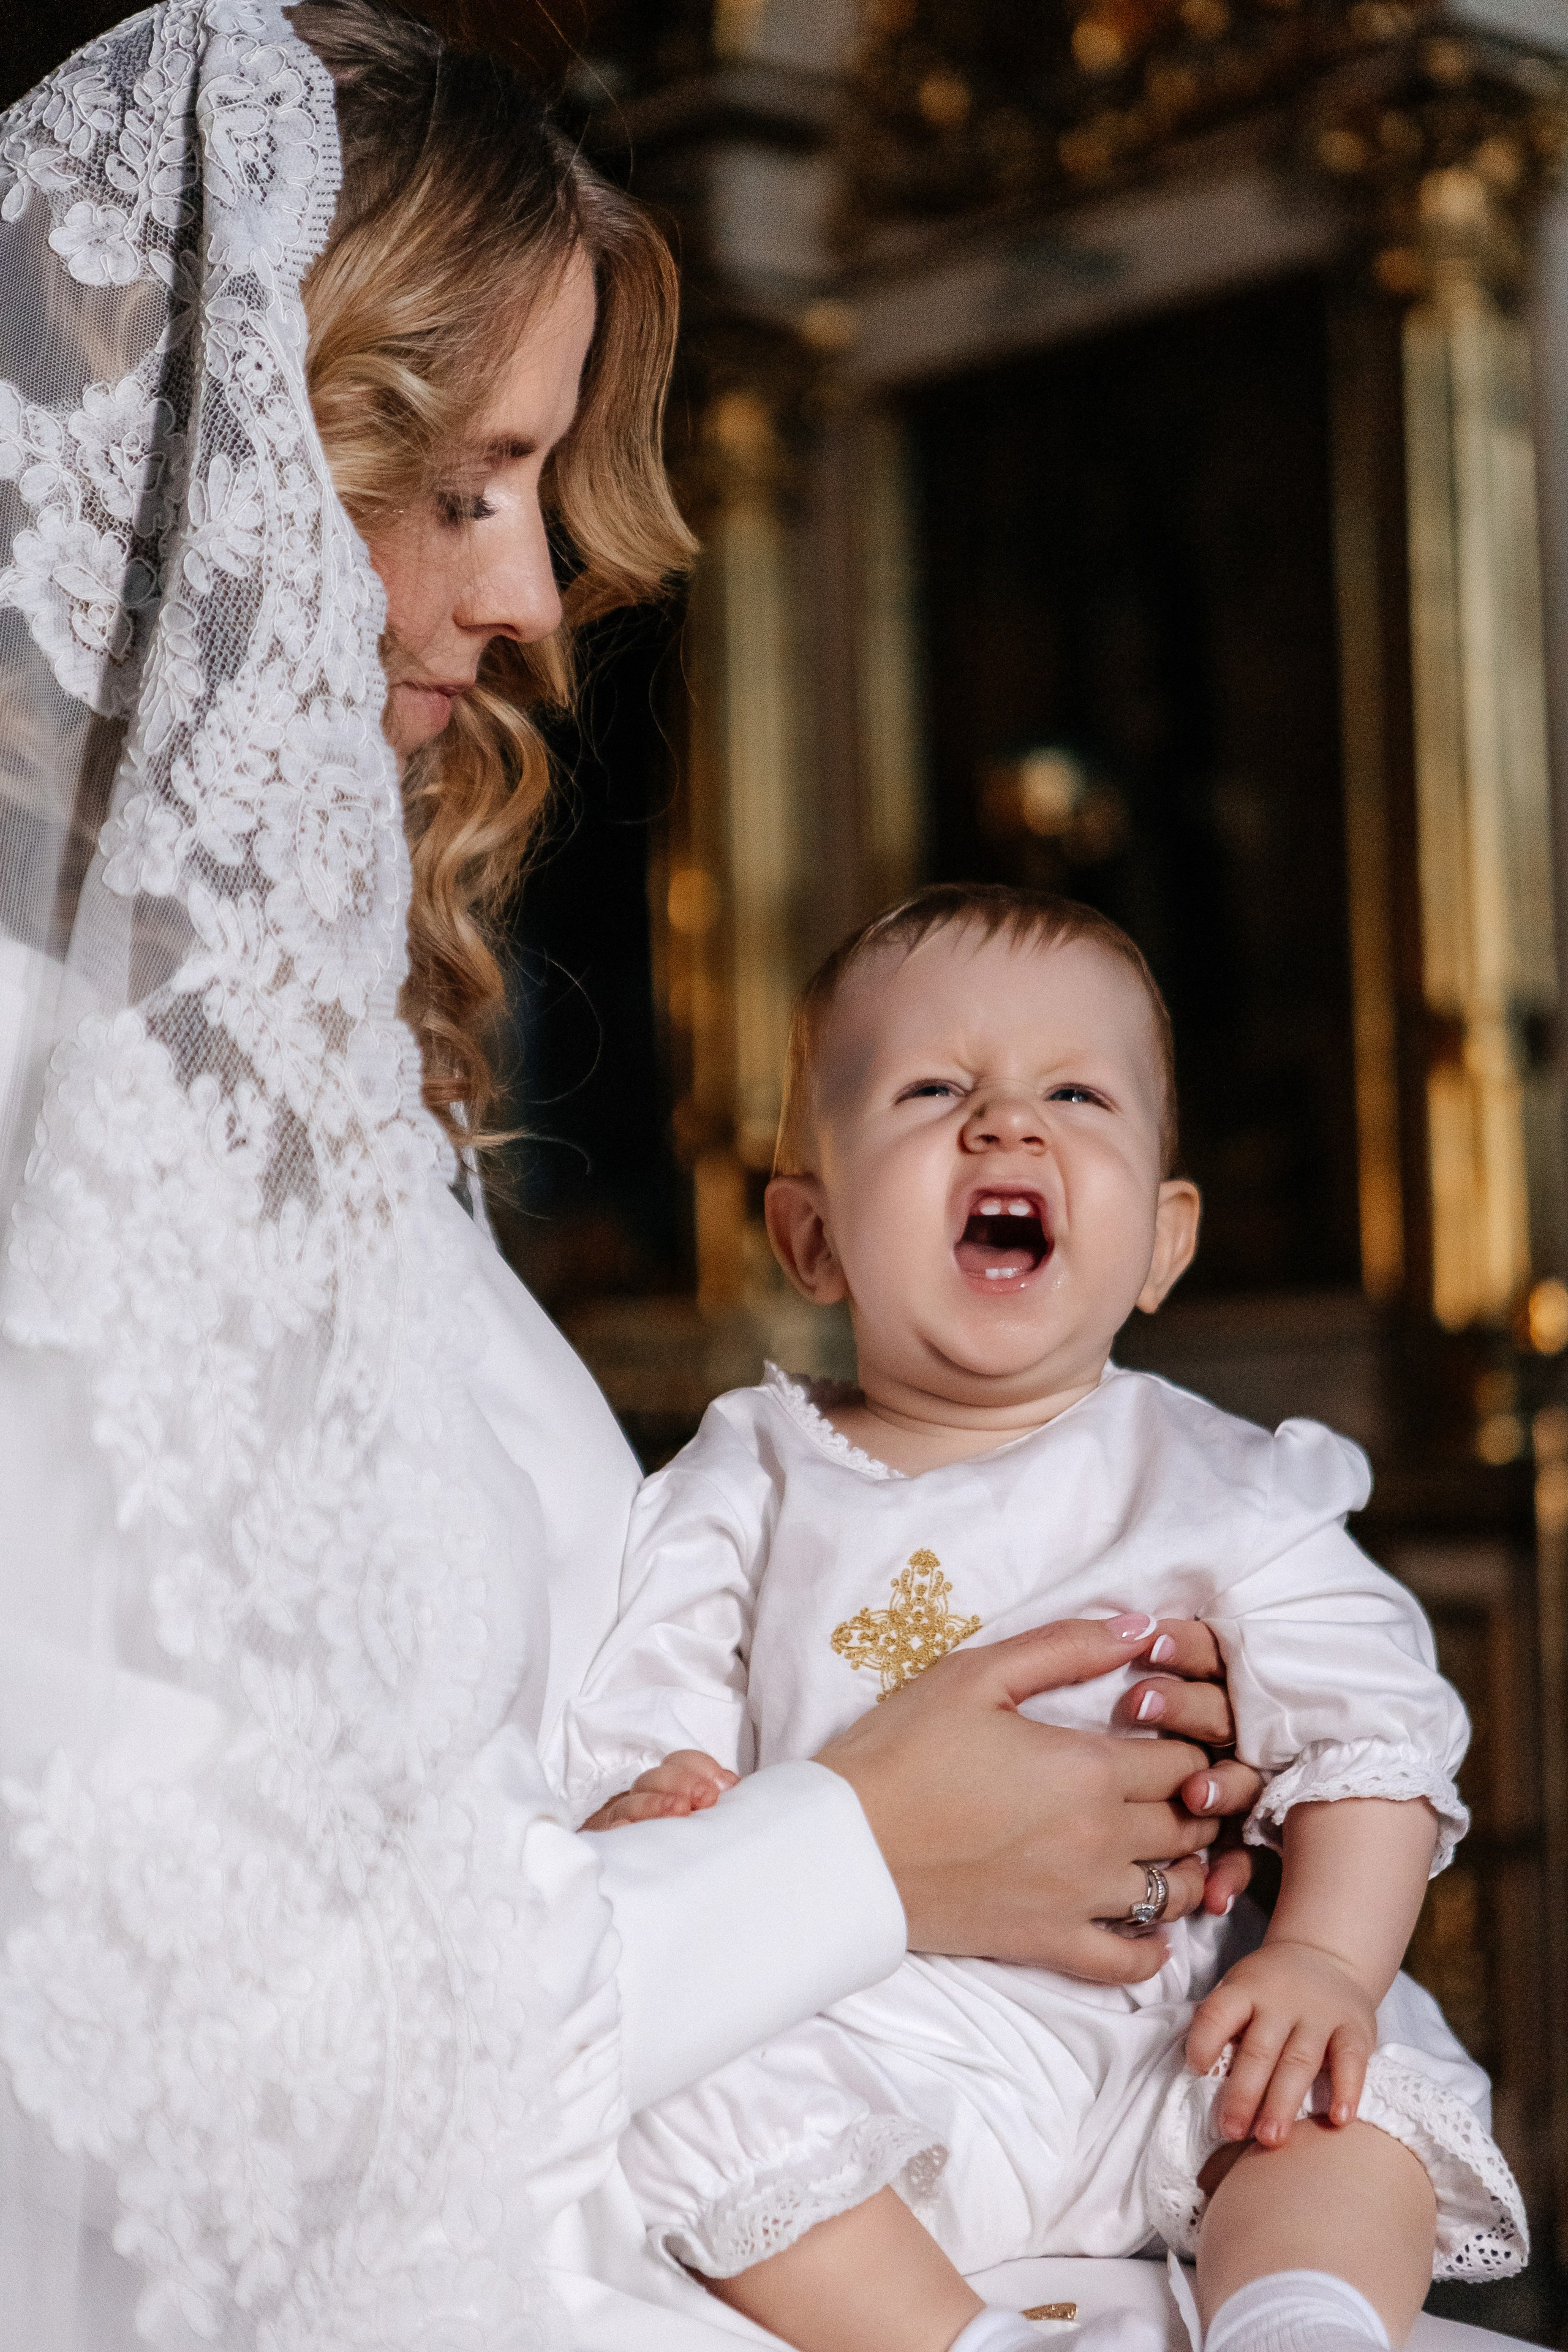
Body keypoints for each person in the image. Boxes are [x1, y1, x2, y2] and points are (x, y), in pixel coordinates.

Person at [0, 7, 1269, 2347]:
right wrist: (871, 1852)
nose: (525, 604)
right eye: (460, 479)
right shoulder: (36, 1091)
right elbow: (183, 2067)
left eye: (536, 495)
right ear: (215, 462)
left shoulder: (322, 1096)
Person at [561, 886, 1528, 2352]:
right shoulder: (746, 1473)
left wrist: (1322, 1956)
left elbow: (1370, 1731)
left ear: (1158, 1237)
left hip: (1170, 2027)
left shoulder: (1215, 1482)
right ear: (808, 1235)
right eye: (933, 1088)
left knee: (1343, 2076)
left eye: (1072, 1093)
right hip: (865, 2043)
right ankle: (953, 2339)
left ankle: (1298, 2317)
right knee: (672, 2082)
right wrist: (661, 1792)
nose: (1004, 1125)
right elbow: (649, 1686)